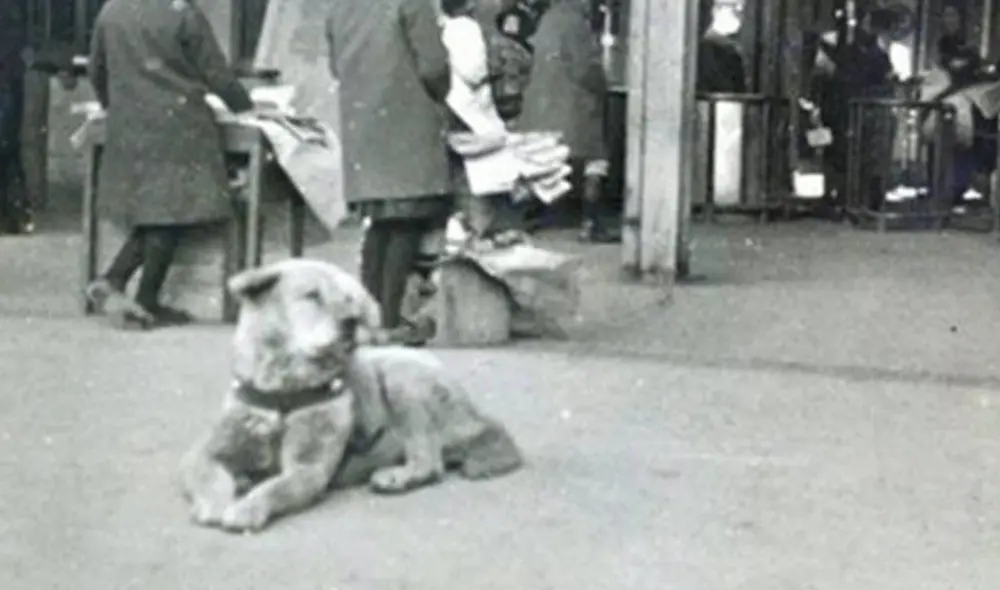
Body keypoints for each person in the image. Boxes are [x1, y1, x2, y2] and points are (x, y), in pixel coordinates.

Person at [84, 0, 254, 330]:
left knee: (158, 208)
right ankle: (139, 297)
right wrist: (246, 109)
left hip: (131, 122)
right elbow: (216, 73)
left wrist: (116, 105)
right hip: (179, 124)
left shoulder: (112, 10)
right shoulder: (182, 12)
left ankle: (118, 281)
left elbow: (97, 69)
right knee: (173, 209)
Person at [325, 0, 453, 340]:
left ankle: (370, 317)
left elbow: (336, 67)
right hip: (406, 115)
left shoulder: (341, 7)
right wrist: (442, 96)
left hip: (364, 117)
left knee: (381, 221)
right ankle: (391, 319)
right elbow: (434, 67)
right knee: (406, 218)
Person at [517, 0, 617, 243]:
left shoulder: (548, 19)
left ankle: (526, 219)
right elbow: (586, 68)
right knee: (596, 160)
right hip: (574, 104)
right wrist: (603, 86)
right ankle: (591, 222)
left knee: (540, 159)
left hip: (540, 103)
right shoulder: (576, 24)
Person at [0, 1, 31, 234]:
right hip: (8, 81)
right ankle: (15, 214)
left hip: (6, 81)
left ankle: (13, 214)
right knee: (9, 150)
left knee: (8, 150)